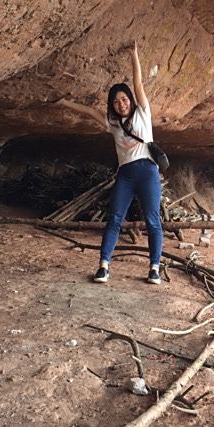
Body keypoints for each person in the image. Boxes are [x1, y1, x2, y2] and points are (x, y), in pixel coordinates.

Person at [58, 41, 163, 285]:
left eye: (124, 99)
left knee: (152, 220)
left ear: (130, 100)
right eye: (116, 101)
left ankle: (154, 268)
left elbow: (138, 84)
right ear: (112, 105)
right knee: (115, 218)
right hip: (126, 174)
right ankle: (104, 265)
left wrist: (135, 56)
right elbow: (88, 113)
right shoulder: (113, 124)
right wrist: (64, 103)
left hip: (147, 171)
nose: (122, 104)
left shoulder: (142, 114)